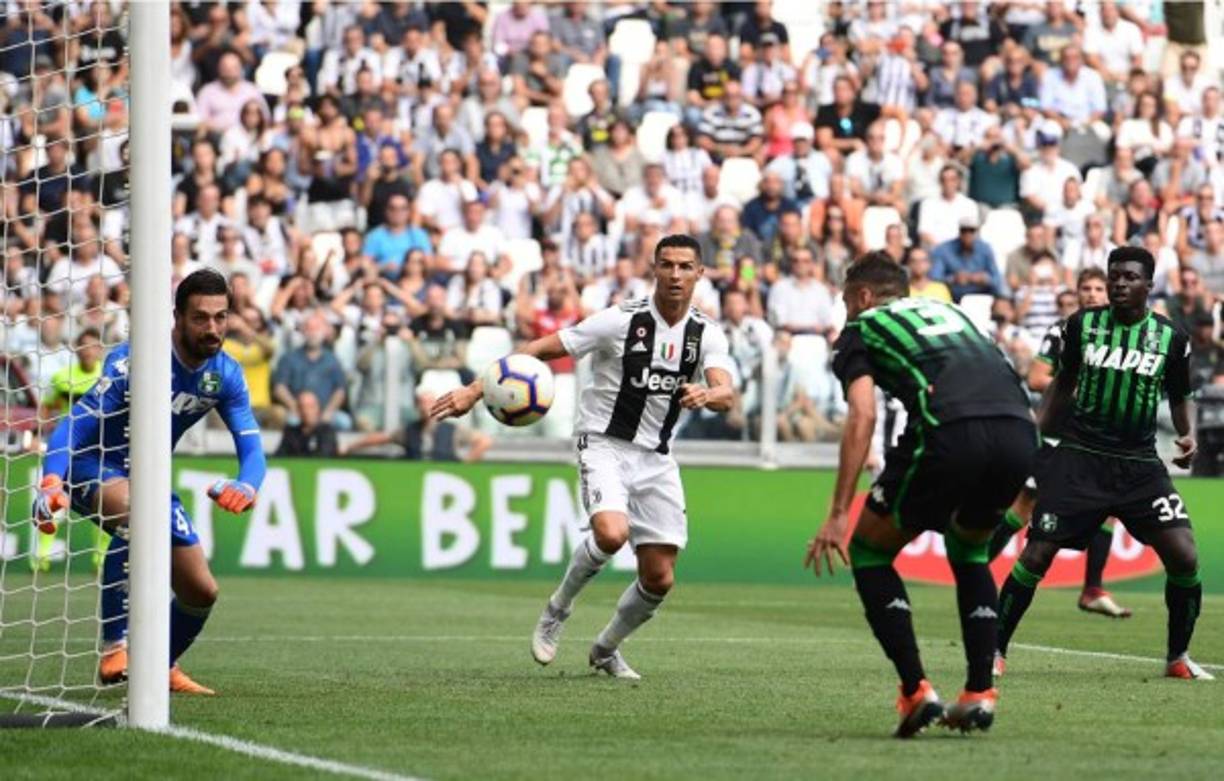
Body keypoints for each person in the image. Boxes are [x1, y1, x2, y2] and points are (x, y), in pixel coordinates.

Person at [431, 234, 735, 679]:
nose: (675, 275)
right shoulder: (620, 321)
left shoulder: (706, 332)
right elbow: (539, 347)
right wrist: (475, 391)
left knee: (659, 578)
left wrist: (708, 393)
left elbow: (726, 393)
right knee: (611, 534)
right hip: (603, 442)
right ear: (654, 269)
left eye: (685, 266)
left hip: (656, 457)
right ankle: (558, 609)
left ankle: (606, 648)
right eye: (667, 265)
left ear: (700, 273)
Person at [806, 253, 1038, 736]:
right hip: (1019, 431)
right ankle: (978, 693)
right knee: (970, 548)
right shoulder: (953, 314)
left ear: (864, 295)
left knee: (869, 548)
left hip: (951, 429)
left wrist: (837, 513)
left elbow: (863, 415)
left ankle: (916, 691)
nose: (846, 308)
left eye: (847, 298)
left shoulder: (863, 327)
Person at [34, 270, 266, 695]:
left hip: (147, 480)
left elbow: (251, 447)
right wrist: (52, 479)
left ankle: (160, 665)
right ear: (177, 317)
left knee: (201, 591)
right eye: (200, 317)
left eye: (220, 317)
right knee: (142, 514)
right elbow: (76, 424)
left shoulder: (226, 374)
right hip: (91, 466)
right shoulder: (136, 362)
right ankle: (115, 647)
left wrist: (247, 485)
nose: (212, 328)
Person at [995, 247, 1211, 681]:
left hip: (1139, 465)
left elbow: (1179, 393)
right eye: (1114, 276)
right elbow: (1061, 385)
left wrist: (1187, 434)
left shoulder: (1172, 338)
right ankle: (993, 651)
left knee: (1184, 556)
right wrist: (1035, 436)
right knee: (1037, 553)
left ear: (1149, 286)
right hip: (1081, 459)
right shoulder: (1082, 326)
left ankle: (1178, 657)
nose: (1119, 284)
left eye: (1129, 277)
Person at [986, 267, 1133, 619]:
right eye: (1087, 288)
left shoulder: (1120, 335)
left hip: (1098, 437)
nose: (1093, 294)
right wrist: (1088, 392)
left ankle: (1093, 589)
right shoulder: (1064, 330)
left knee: (1109, 508)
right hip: (1058, 433)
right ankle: (974, 568)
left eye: (1100, 288)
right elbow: (1038, 377)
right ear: (1078, 293)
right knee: (1024, 506)